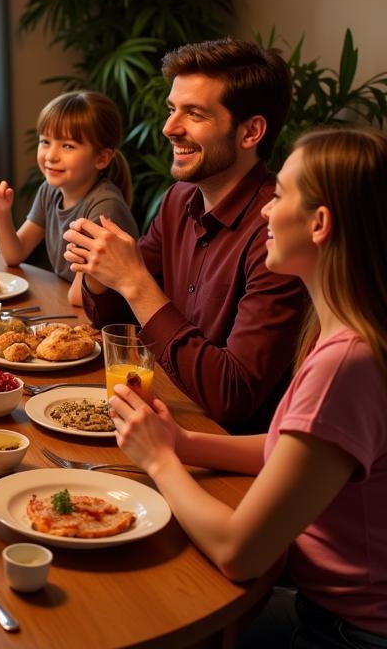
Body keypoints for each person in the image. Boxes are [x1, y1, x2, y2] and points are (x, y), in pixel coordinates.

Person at [104, 127, 387, 649]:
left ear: (320, 224)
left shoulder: (348, 362)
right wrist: (184, 442)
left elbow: (240, 551)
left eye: (280, 195)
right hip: (318, 617)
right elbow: (291, 453)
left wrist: (159, 460)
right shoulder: (343, 331)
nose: (265, 208)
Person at [64, 39, 309, 432]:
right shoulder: (179, 199)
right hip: (164, 414)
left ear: (251, 132)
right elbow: (118, 316)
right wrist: (99, 267)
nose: (169, 128)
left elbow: (232, 397)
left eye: (194, 114)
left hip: (231, 458)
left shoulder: (278, 233)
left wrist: (134, 281)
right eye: (172, 109)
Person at [0, 91, 138, 307]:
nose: (51, 155)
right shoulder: (49, 191)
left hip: (109, 320)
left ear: (101, 158)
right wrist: (1, 213)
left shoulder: (104, 208)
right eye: (45, 141)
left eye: (68, 146)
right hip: (73, 305)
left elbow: (80, 296)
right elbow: (14, 255)